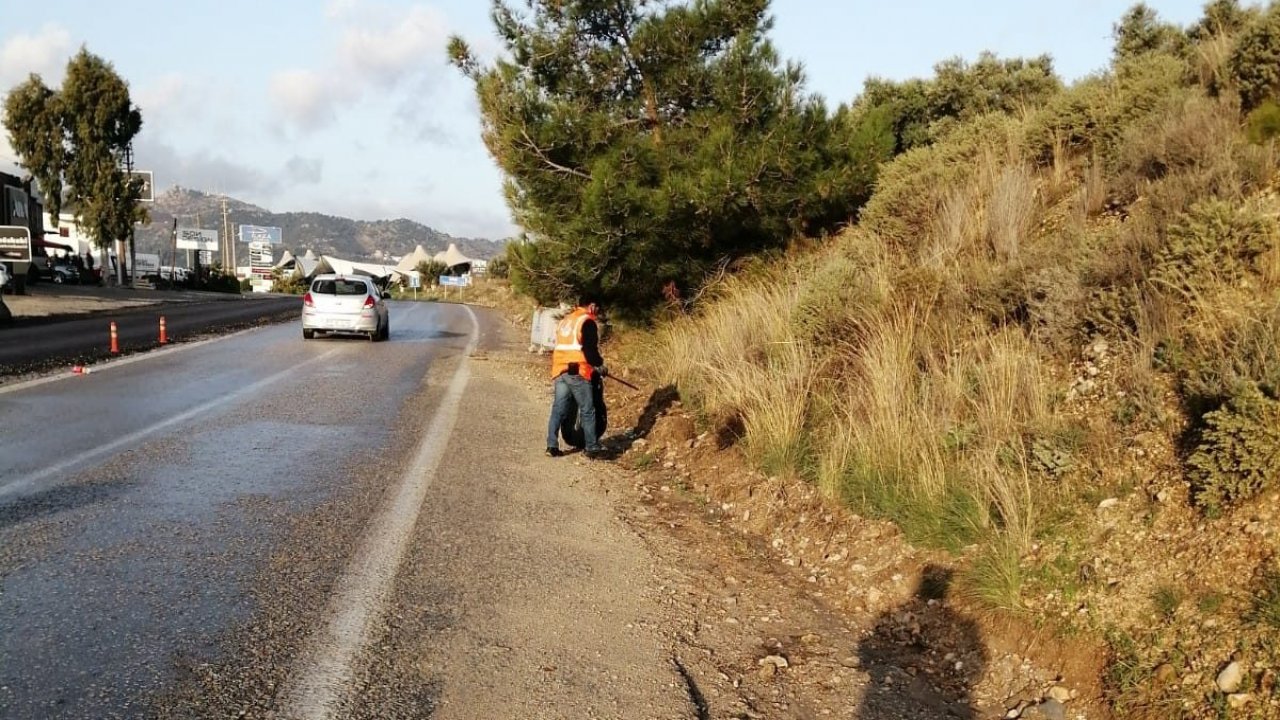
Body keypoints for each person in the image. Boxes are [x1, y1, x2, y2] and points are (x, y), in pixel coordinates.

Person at [546, 297, 607, 459]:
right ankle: (591, 447)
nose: (598, 311)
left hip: (560, 370)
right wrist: (600, 365)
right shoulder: (586, 322)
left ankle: (551, 445)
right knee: (587, 409)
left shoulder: (567, 320)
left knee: (558, 409)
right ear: (592, 305)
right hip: (578, 372)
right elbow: (589, 350)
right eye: (598, 308)